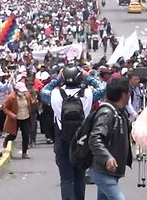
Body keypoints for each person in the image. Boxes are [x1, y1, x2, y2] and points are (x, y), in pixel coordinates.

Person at [40, 65, 105, 200]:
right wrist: (89, 77)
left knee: (66, 179)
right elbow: (103, 88)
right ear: (79, 78)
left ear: (64, 78)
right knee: (80, 176)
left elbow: (43, 92)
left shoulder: (55, 95)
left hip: (62, 139)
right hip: (82, 139)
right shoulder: (88, 94)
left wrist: (57, 80)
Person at [89, 77, 133, 200]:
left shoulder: (119, 112)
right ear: (124, 95)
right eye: (128, 92)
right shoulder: (107, 113)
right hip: (103, 170)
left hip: (110, 170)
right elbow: (95, 138)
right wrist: (107, 157)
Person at [2, 82, 34, 159]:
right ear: (16, 90)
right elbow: (5, 108)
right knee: (13, 135)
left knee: (26, 135)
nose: (22, 93)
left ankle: (24, 153)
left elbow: (30, 103)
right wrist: (11, 115)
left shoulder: (27, 95)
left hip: (25, 117)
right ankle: (6, 141)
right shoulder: (11, 97)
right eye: (21, 91)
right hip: (15, 119)